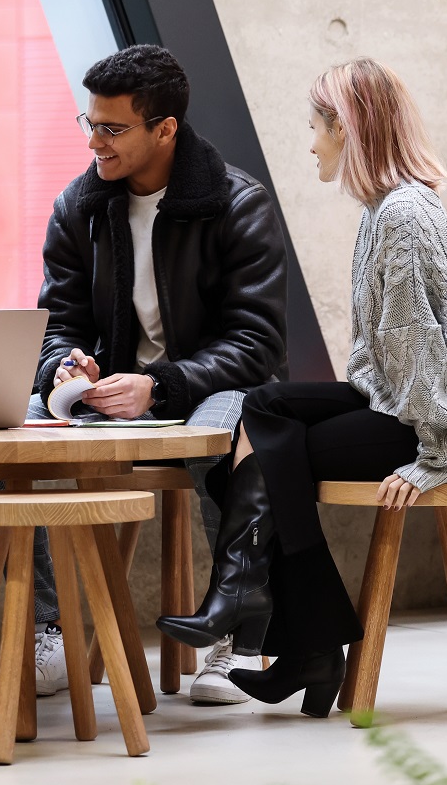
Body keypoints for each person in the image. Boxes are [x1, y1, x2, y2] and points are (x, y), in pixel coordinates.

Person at [155, 57, 447, 717]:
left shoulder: (402, 215)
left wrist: (438, 456)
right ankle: (277, 622)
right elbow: (387, 360)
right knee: (264, 406)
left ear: (350, 130)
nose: (311, 142)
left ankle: (288, 628)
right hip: (407, 401)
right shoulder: (386, 210)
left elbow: (421, 352)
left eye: (317, 126)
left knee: (266, 446)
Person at [32, 44, 288, 705]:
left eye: (112, 129)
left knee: (227, 435)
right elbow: (56, 324)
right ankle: (48, 632)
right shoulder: (79, 207)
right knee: (1, 435)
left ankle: (239, 644)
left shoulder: (237, 204)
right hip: (118, 395)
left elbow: (257, 342)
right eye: (89, 124)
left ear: (164, 129)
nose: (95, 141)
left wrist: (162, 383)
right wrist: (65, 366)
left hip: (213, 386)